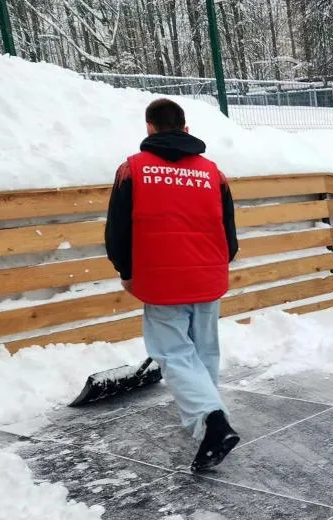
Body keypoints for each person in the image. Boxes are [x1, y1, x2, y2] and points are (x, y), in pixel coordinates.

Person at [104, 98, 241, 472]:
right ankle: (209, 422)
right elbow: (229, 232)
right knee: (205, 350)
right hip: (208, 273)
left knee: (175, 353)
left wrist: (125, 270)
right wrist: (216, 263)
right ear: (186, 127)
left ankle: (212, 420)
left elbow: (117, 228)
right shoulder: (213, 172)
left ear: (150, 128)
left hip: (161, 276)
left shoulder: (132, 170)